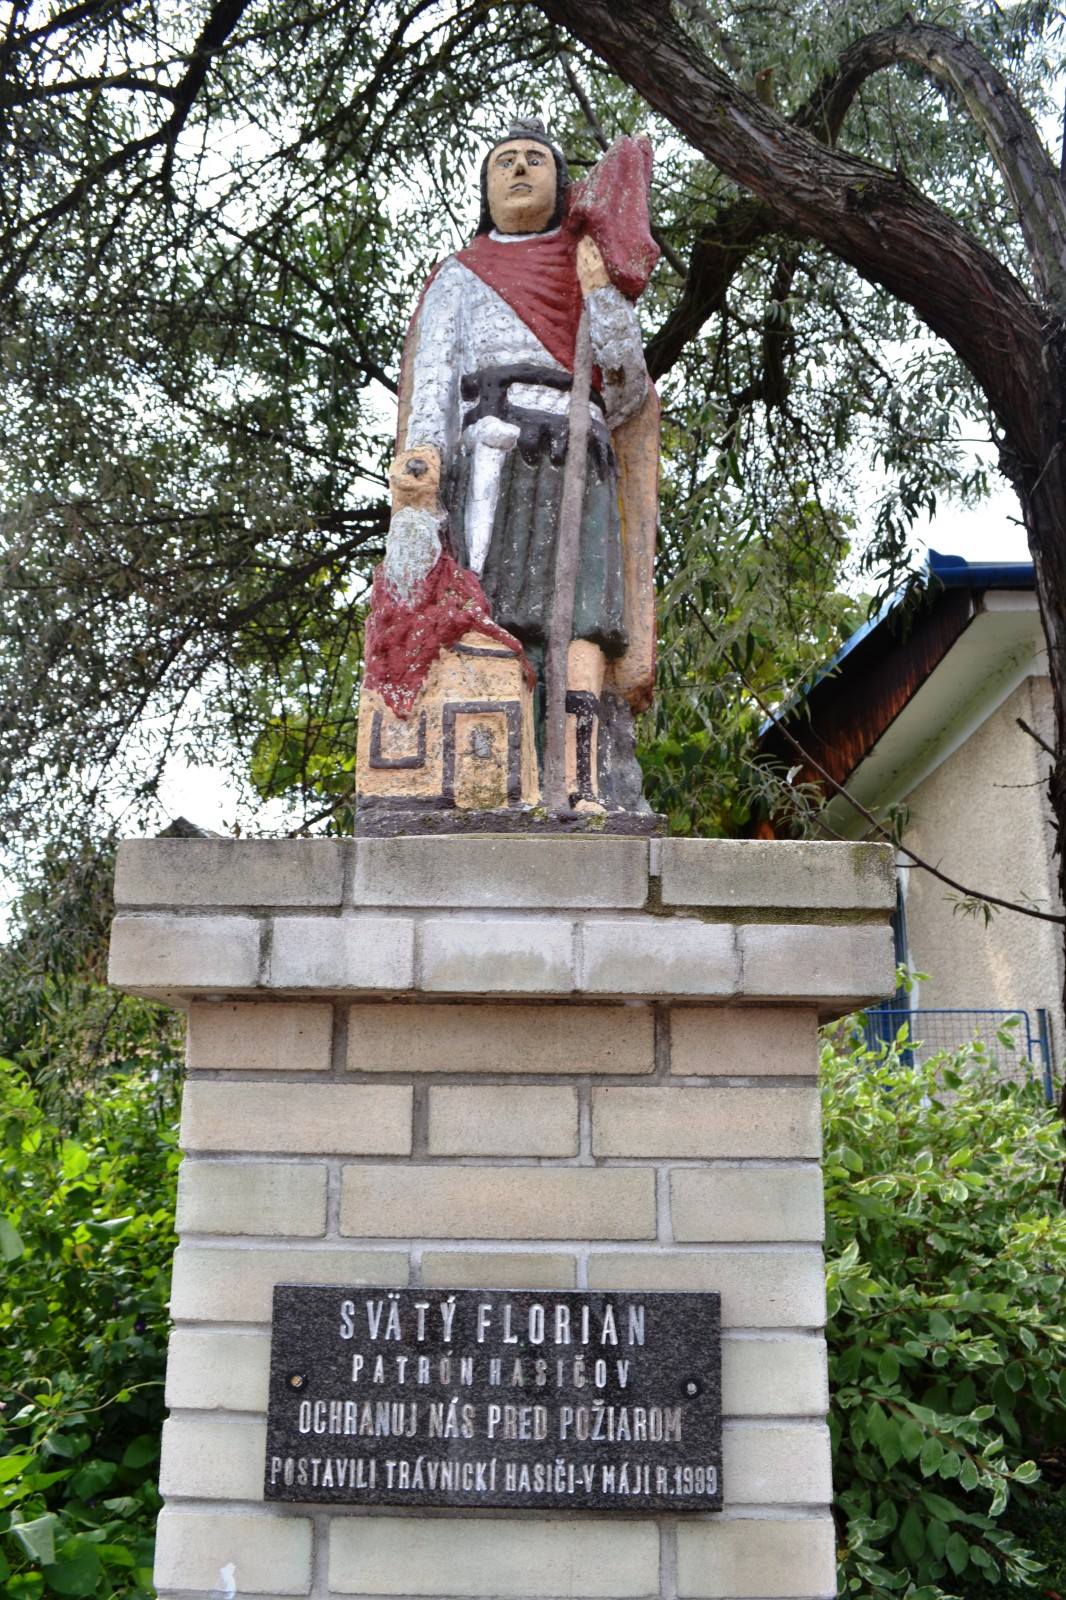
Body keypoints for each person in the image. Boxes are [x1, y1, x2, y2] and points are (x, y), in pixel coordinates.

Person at [390, 118, 654, 808]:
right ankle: (498, 781)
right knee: (493, 614)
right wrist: (422, 464)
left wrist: (601, 293)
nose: (517, 169)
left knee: (585, 623)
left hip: (578, 455)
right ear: (485, 187)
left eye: (534, 159)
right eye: (503, 160)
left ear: (559, 184)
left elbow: (627, 389)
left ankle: (582, 784)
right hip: (492, 456)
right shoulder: (458, 275)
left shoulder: (587, 266)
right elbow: (433, 380)